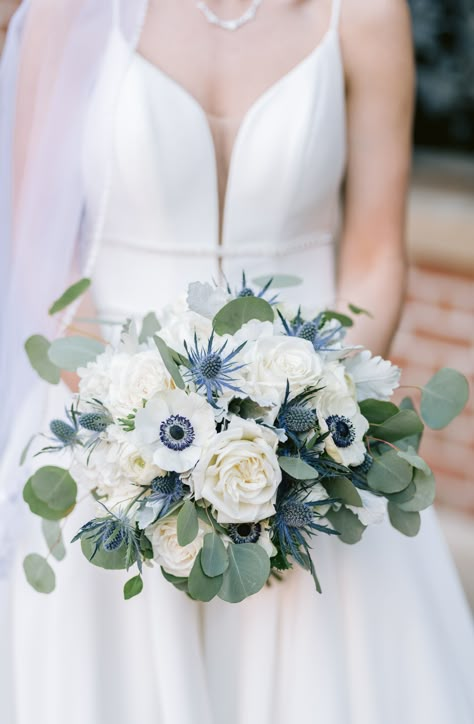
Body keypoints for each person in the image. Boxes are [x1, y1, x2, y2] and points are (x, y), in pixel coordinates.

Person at [0, 2, 473, 723]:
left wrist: (318, 410)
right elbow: (43, 251)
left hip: (311, 444)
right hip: (105, 424)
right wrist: (135, 438)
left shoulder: (368, 14)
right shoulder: (71, 11)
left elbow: (376, 250)